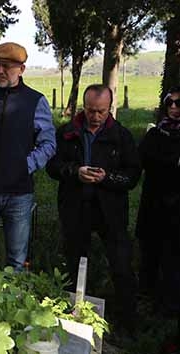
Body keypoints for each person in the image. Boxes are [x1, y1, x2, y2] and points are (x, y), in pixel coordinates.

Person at [46, 84, 140, 334]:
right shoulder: (66, 132)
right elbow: (52, 166)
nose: (95, 116)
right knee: (74, 262)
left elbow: (132, 176)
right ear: (83, 107)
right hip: (75, 208)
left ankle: (126, 324)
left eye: (101, 111)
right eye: (90, 111)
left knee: (121, 264)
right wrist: (75, 172)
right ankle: (72, 316)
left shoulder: (122, 136)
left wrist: (106, 178)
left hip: (111, 211)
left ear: (110, 108)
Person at [0, 42, 56, 271]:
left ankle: (13, 304)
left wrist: (25, 166)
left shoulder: (35, 101)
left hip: (18, 193)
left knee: (16, 259)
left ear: (21, 69)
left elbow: (48, 143)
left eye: (6, 66)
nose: (0, 71)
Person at [135, 86, 180, 348]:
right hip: (154, 205)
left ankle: (169, 308)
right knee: (149, 254)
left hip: (177, 210)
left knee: (173, 259)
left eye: (178, 103)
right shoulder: (155, 133)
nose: (174, 108)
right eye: (169, 103)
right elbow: (143, 160)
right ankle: (146, 302)